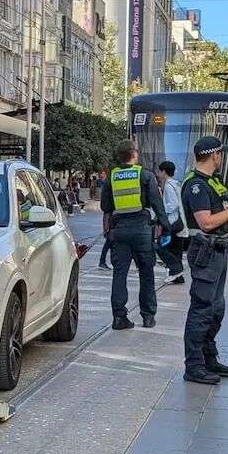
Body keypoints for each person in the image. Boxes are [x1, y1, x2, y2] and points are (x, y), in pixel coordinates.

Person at [182, 136, 228, 385]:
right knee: (202, 308)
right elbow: (206, 222)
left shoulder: (214, 183)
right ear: (215, 155)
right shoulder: (196, 185)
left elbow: (223, 212)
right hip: (205, 251)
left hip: (218, 251)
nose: (221, 158)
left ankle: (209, 358)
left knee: (216, 309)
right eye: (220, 154)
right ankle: (194, 366)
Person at [100, 139, 170, 330]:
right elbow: (157, 204)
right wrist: (167, 227)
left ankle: (119, 318)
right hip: (142, 230)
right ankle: (148, 316)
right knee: (146, 273)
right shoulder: (145, 175)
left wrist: (108, 231)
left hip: (119, 231)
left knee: (119, 274)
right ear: (134, 153)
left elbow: (105, 208)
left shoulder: (111, 178)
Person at [156, 161, 190, 284]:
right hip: (179, 223)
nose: (158, 173)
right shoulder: (176, 184)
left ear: (164, 172)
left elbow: (173, 204)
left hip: (172, 222)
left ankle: (176, 271)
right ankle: (178, 277)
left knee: (162, 248)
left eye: (160, 171)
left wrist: (161, 211)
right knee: (176, 250)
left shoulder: (169, 186)